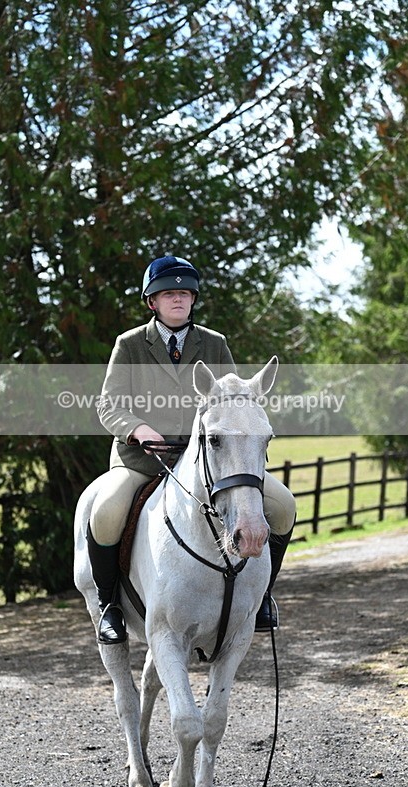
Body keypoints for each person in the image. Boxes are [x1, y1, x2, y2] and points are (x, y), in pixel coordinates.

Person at [87, 255, 296, 644]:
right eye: (169, 294)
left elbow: (237, 402)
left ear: (193, 299)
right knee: (106, 511)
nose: (178, 300)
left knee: (284, 506)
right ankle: (109, 606)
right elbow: (108, 405)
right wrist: (138, 429)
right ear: (153, 301)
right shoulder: (129, 344)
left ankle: (262, 597)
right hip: (144, 459)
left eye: (184, 293)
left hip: (211, 460)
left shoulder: (214, 343)